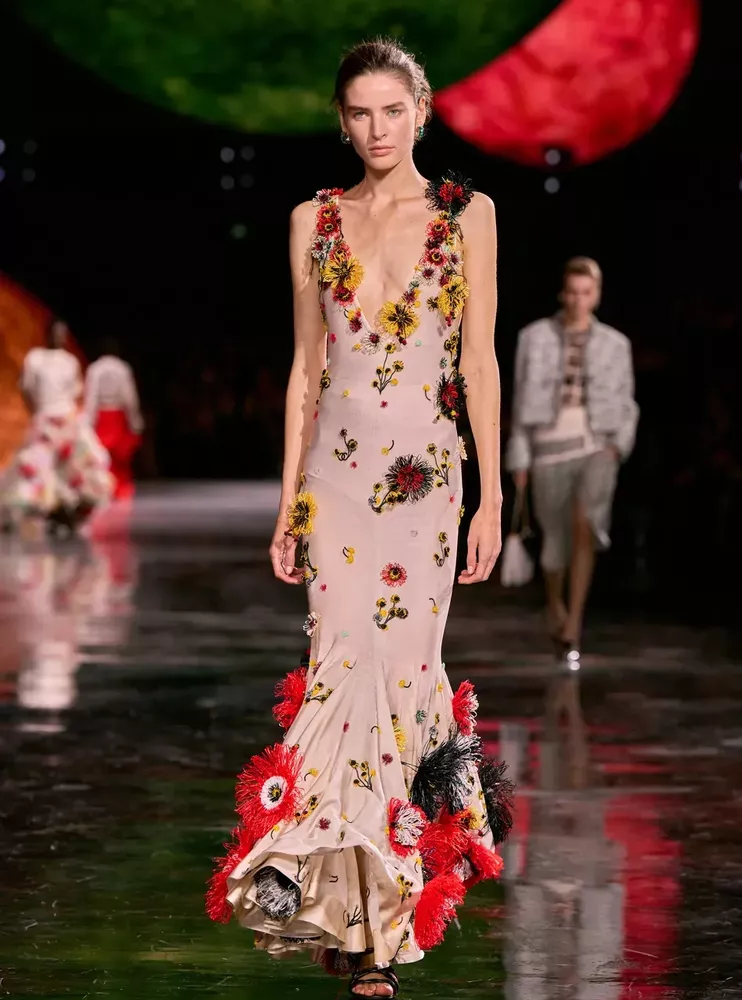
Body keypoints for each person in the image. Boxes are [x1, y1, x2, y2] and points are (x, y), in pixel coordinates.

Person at [207, 37, 510, 999]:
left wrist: (493, 495)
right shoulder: (315, 219)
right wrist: (288, 500)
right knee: (340, 669)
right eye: (360, 113)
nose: (378, 128)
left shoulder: (466, 216)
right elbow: (307, 369)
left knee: (403, 672)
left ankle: (383, 918)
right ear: (342, 122)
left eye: (392, 110)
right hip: (335, 479)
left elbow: (479, 363)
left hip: (427, 479)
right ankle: (352, 917)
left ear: (422, 110)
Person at [506, 258, 639, 666]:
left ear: (596, 295)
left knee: (585, 526)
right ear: (563, 293)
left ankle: (574, 622)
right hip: (549, 447)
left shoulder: (616, 344)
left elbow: (627, 401)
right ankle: (554, 602)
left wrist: (618, 444)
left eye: (587, 292)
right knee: (555, 537)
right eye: (574, 292)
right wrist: (520, 456)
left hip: (597, 446)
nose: (579, 300)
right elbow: (519, 399)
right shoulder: (534, 338)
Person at [1, 318, 113, 534]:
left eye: (62, 334)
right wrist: (37, 411)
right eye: (55, 333)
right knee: (40, 468)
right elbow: (27, 387)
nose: (58, 337)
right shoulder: (35, 359)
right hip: (45, 419)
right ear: (47, 334)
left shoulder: (69, 361)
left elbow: (75, 389)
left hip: (67, 419)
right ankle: (46, 511)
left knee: (77, 467)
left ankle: (69, 512)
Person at [84, 337, 144, 500]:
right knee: (119, 457)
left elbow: (91, 396)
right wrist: (135, 420)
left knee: (102, 455)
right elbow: (129, 397)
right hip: (117, 415)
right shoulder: (122, 368)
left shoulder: (95, 369)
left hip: (102, 415)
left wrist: (88, 421)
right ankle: (119, 489)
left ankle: (103, 488)